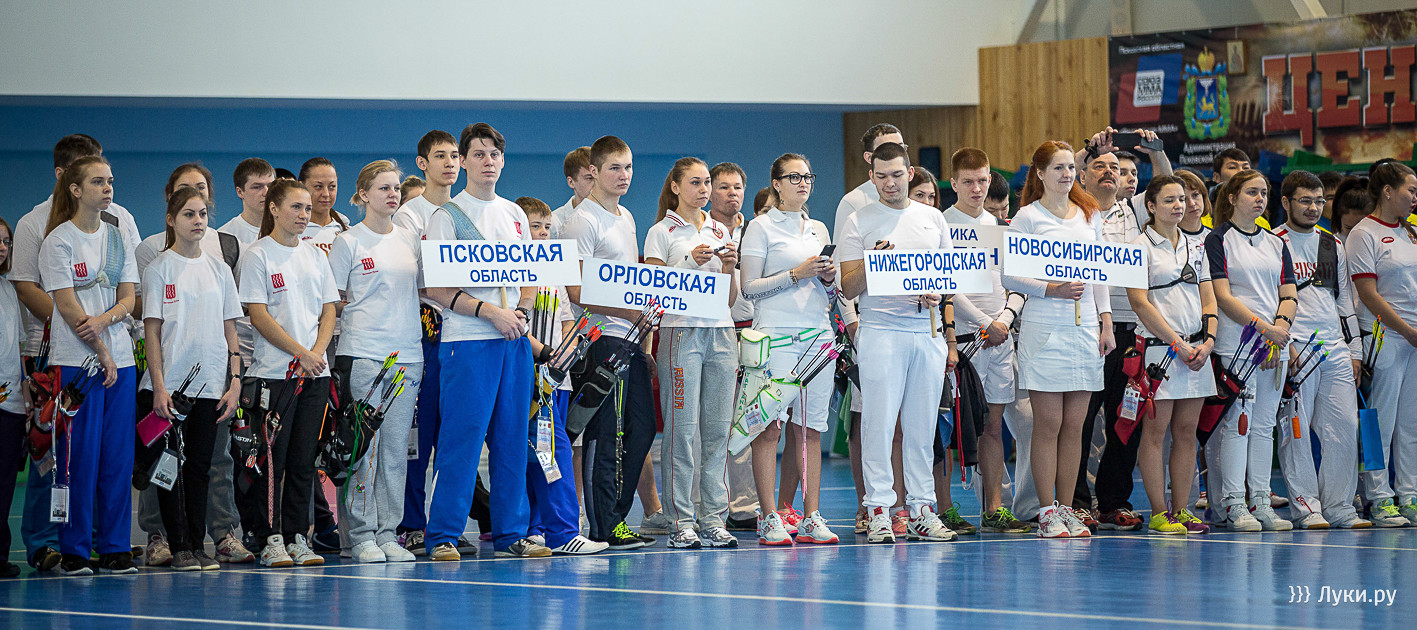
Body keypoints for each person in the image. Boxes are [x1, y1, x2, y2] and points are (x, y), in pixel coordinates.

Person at [10, 135, 141, 572]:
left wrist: (106, 326)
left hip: (121, 362)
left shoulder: (118, 235)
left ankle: (115, 545)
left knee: (117, 457)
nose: (108, 188)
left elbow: (129, 297)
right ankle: (75, 548)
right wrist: (100, 346)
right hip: (76, 363)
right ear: (74, 188)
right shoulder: (56, 240)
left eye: (110, 181)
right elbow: (66, 306)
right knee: (76, 458)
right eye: (99, 182)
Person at [421, 123, 549, 559]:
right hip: (469, 341)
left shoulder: (515, 214)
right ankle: (443, 534)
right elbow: (437, 290)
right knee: (462, 439)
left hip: (513, 341)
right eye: (478, 154)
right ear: (462, 161)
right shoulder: (447, 216)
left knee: (512, 439)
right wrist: (491, 313)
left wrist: (521, 313)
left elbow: (530, 276)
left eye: (494, 154)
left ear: (503, 160)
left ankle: (512, 533)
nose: (487, 161)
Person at [840, 142, 959, 544]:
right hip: (880, 331)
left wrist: (936, 292)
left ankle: (922, 509)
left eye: (896, 174)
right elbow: (847, 287)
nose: (889, 183)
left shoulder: (932, 218)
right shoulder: (858, 220)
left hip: (926, 332)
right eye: (881, 176)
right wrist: (873, 262)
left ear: (909, 173)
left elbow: (947, 277)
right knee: (878, 423)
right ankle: (878, 509)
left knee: (922, 427)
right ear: (871, 177)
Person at [135, 163, 254, 567]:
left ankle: (199, 545)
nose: (198, 221)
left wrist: (234, 382)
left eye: (202, 214)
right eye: (189, 214)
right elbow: (152, 333)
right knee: (168, 465)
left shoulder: (220, 270)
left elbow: (230, 330)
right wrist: (158, 386)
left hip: (211, 386)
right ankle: (178, 544)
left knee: (202, 467)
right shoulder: (158, 269)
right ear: (171, 219)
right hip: (169, 388)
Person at [1002, 141, 1116, 539]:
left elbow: (1100, 273)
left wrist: (1106, 322)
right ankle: (1046, 511)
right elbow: (1010, 276)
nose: (1067, 174)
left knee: (1075, 425)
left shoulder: (1089, 214)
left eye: (1070, 167)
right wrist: (1052, 288)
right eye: (1058, 168)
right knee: (1048, 424)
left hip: (1085, 331)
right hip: (1044, 328)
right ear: (1040, 173)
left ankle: (1068, 509)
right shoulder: (1027, 218)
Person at [736, 154, 841, 546]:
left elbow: (831, 293)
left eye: (807, 176)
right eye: (794, 177)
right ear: (776, 184)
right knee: (769, 427)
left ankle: (811, 515)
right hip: (776, 337)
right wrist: (797, 273)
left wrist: (827, 278)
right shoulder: (760, 227)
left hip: (818, 337)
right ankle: (768, 517)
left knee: (810, 429)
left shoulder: (817, 228)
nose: (803, 183)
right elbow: (749, 287)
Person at [1073, 127, 1172, 533]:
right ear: (1083, 175)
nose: (1110, 172)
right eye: (1100, 166)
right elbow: (1060, 175)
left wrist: (1156, 152)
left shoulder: (1135, 212)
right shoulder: (1073, 212)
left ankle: (1114, 501)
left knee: (1125, 420)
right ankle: (1077, 503)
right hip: (1086, 328)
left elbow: (1167, 186)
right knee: (1080, 421)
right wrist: (1086, 151)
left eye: (1116, 167)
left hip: (1131, 332)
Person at [562, 135, 658, 550]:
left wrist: (643, 330)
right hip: (599, 340)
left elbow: (633, 282)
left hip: (630, 339)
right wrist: (629, 313)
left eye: (628, 167)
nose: (624, 175)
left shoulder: (627, 217)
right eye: (615, 168)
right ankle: (604, 525)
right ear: (594, 171)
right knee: (604, 432)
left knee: (642, 427)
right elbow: (577, 289)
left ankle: (617, 516)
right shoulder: (582, 220)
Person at [639, 157, 741, 549]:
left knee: (717, 430)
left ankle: (713, 518)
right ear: (676, 187)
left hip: (721, 333)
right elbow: (653, 290)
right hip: (681, 332)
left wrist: (728, 268)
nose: (704, 189)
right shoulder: (660, 232)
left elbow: (730, 299)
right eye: (695, 182)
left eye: (707, 182)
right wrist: (687, 262)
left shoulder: (720, 229)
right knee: (682, 430)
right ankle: (680, 520)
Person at [238, 178, 339, 567]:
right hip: (274, 376)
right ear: (274, 209)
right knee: (271, 463)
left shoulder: (315, 256)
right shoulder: (258, 255)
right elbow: (258, 315)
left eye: (307, 208)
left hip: (315, 376)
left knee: (303, 462)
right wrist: (300, 353)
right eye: (296, 207)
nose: (304, 214)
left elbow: (329, 310)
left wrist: (316, 354)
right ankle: (271, 539)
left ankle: (298, 537)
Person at [328, 161, 424, 563]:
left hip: (409, 356)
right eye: (384, 188)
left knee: (396, 452)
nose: (393, 194)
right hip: (364, 354)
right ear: (364, 194)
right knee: (363, 449)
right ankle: (361, 534)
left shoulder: (409, 238)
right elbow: (331, 302)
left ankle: (388, 533)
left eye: (396, 188)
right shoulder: (348, 242)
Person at [1273, 170, 1369, 529]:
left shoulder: (1332, 244)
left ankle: (1340, 506)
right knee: (1296, 431)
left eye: (1318, 201)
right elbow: (1267, 300)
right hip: (1296, 347)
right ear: (1286, 202)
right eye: (1305, 201)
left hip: (1335, 348)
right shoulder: (1272, 242)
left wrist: (1355, 350)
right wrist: (1285, 343)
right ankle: (1306, 506)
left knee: (1345, 427)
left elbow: (1344, 302)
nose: (1313, 208)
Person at [941, 148, 1030, 534]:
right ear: (954, 183)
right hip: (961, 341)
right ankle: (943, 509)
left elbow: (1019, 281)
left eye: (982, 180)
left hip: (1000, 339)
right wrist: (984, 323)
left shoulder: (1001, 228)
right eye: (968, 182)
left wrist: (1004, 321)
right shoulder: (942, 225)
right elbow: (945, 284)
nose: (977, 188)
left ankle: (993, 509)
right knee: (949, 430)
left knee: (994, 427)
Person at [1205, 169, 1298, 532]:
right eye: (1251, 192)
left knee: (1263, 427)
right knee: (1237, 425)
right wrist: (1265, 330)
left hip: (1274, 346)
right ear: (1232, 198)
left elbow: (1289, 294)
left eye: (1264, 193)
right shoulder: (1218, 239)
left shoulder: (1276, 243)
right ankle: (1233, 503)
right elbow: (1223, 296)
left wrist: (1280, 330)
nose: (1260, 199)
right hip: (1238, 346)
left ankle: (1261, 500)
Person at [516, 197, 608, 555]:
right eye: (533, 226)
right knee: (547, 449)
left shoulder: (554, 269)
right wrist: (545, 353)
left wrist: (566, 354)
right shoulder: (513, 269)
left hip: (560, 377)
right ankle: (562, 531)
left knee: (547, 449)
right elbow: (517, 323)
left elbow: (568, 320)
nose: (542, 233)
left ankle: (539, 527)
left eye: (546, 227)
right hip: (533, 374)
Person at [1126, 175, 1218, 535]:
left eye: (1182, 199)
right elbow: (1139, 303)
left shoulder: (1198, 245)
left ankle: (1182, 509)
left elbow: (1208, 298)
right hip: (1160, 353)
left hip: (1197, 352)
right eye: (1169, 200)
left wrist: (1208, 342)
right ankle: (1159, 512)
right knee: (1155, 432)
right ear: (1151, 206)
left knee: (1186, 432)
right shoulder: (1137, 246)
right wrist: (1177, 344)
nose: (1180, 205)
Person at [391, 130, 462, 554]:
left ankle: (446, 523)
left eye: (454, 155)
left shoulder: (466, 210)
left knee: (454, 435)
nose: (449, 163)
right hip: (426, 334)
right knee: (420, 434)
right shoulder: (409, 216)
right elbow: (415, 279)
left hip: (465, 333)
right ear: (422, 163)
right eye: (440, 156)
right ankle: (413, 523)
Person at [1348, 161, 1417, 526]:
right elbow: (1368, 293)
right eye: (1411, 190)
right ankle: (1378, 497)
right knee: (1380, 421)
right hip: (1385, 336)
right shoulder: (1364, 233)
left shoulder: (1411, 232)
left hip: (1414, 339)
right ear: (1388, 191)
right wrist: (1407, 330)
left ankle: (1409, 494)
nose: (1415, 198)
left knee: (1410, 422)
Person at [708, 162, 759, 531]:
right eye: (724, 187)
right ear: (709, 191)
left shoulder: (756, 230)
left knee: (749, 424)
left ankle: (745, 507)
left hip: (755, 335)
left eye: (737, 187)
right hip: (714, 332)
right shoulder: (698, 231)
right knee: (714, 425)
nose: (732, 193)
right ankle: (707, 505)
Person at [0, 217, 26, 578]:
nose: (2, 247)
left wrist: (26, 391)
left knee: (4, 481)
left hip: (10, 401)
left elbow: (17, 348)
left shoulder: (8, 291)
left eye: (6, 242)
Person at [298, 157, 350, 254]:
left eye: (332, 186)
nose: (326, 194)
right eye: (318, 186)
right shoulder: (289, 233)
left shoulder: (348, 232)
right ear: (301, 187)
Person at [550, 147, 594, 238]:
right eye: (589, 178)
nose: (596, 184)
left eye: (598, 178)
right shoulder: (554, 224)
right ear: (571, 182)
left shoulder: (618, 217)